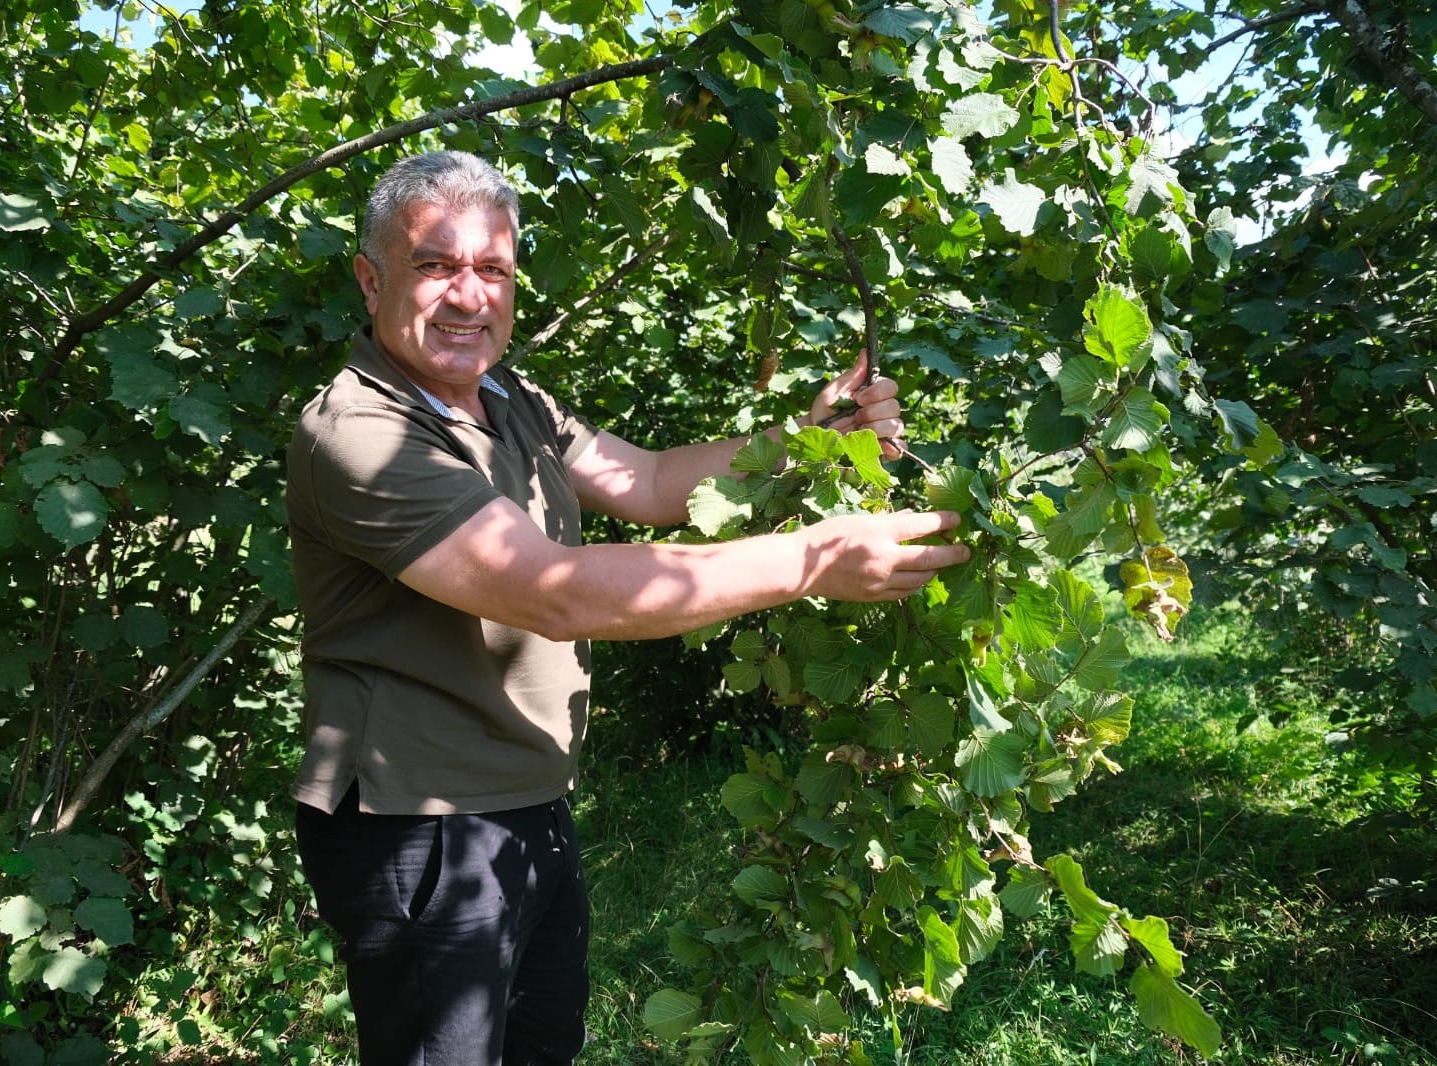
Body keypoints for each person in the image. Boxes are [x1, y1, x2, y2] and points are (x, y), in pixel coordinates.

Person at [286, 150, 969, 1065]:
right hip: (419, 824)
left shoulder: (506, 397)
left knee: (542, 1046)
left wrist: (810, 439)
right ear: (371, 281)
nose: (469, 295)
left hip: (527, 801)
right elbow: (554, 593)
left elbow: (646, 481)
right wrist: (813, 558)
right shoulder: (361, 433)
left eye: (493, 269)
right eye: (436, 265)